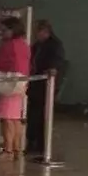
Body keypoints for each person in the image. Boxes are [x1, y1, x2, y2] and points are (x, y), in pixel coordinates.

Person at [0, 16, 30, 160]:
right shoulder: (24, 44)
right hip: (21, 83)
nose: (2, 33)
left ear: (12, 30)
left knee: (7, 118)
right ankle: (17, 148)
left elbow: (1, 63)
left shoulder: (9, 45)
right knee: (15, 118)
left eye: (4, 30)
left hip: (8, 84)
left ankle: (8, 150)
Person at [27, 19, 66, 155]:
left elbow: (57, 62)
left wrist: (52, 69)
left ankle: (41, 144)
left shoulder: (55, 45)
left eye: (38, 31)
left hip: (46, 85)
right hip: (35, 84)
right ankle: (32, 141)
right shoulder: (37, 46)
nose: (36, 34)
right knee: (33, 114)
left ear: (45, 31)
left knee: (42, 114)